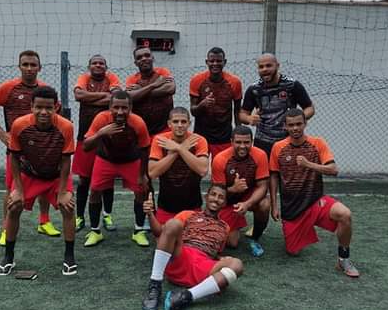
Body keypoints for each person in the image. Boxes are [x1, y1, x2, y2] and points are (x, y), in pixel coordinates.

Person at [0, 86, 77, 277]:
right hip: (29, 174)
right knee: (14, 206)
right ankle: (8, 257)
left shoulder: (66, 126)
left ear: (56, 107)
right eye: (39, 107)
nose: (43, 112)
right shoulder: (19, 125)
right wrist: (18, 188)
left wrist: (63, 191)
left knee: (68, 207)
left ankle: (69, 256)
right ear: (31, 106)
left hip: (56, 176)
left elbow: (66, 160)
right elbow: (14, 157)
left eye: (48, 107)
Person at [0, 50, 60, 246]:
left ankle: (44, 221)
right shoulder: (8, 87)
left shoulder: (45, 90)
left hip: (42, 149)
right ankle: (6, 228)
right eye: (25, 64)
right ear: (19, 67)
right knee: (12, 189)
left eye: (33, 65)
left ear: (39, 68)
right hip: (16, 150)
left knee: (44, 184)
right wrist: (0, 132)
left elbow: (55, 114)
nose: (29, 68)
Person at [269, 108, 359, 278]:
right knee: (293, 252)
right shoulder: (278, 147)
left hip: (316, 201)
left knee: (345, 215)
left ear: (305, 124)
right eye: (291, 125)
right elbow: (273, 176)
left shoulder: (318, 143)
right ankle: (304, 229)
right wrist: (274, 205)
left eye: (299, 124)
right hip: (292, 209)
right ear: (285, 127)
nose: (295, 128)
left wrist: (309, 164)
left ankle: (344, 259)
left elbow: (333, 170)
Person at [141, 185, 244, 310]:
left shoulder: (225, 227)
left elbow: (216, 251)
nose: (216, 199)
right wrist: (150, 214)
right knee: (173, 224)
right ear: (206, 197)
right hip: (181, 255)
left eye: (221, 197)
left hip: (204, 265)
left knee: (237, 264)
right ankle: (155, 286)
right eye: (213, 194)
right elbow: (161, 233)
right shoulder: (188, 214)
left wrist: (222, 259)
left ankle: (186, 296)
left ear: (224, 203)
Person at [82, 90, 151, 247]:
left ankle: (138, 231)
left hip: (131, 161)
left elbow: (145, 149)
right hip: (106, 160)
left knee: (141, 191)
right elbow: (86, 146)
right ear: (110, 107)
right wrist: (101, 133)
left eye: (124, 108)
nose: (120, 112)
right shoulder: (101, 119)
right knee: (95, 191)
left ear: (130, 108)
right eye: (116, 107)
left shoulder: (138, 122)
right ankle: (95, 231)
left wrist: (143, 174)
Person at [126, 46, 176, 233]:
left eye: (147, 55)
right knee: (145, 178)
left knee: (168, 176)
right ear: (135, 62)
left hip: (164, 132)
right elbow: (130, 97)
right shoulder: (132, 79)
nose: (144, 59)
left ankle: (168, 214)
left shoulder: (163, 72)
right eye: (140, 57)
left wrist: (142, 92)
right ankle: (148, 216)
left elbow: (171, 88)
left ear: (153, 57)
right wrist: (154, 86)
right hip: (142, 135)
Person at [73, 55, 120, 232]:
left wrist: (89, 98)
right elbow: (78, 95)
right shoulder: (84, 78)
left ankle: (107, 215)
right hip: (85, 137)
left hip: (108, 139)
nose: (98, 65)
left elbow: (115, 98)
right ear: (89, 66)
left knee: (107, 179)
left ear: (106, 67)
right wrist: (104, 96)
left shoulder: (112, 78)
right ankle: (79, 217)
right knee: (84, 180)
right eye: (95, 63)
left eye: (101, 63)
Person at [240, 53, 315, 159]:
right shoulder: (254, 89)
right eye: (261, 67)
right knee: (263, 170)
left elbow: (310, 108)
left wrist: (297, 120)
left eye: (268, 65)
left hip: (288, 140)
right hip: (262, 141)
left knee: (289, 169)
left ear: (277, 65)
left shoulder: (292, 85)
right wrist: (249, 118)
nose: (265, 69)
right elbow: (242, 114)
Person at [211, 125, 270, 257]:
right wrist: (233, 189)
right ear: (231, 142)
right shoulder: (220, 159)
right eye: (238, 142)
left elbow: (262, 186)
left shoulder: (260, 155)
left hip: (248, 196)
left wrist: (247, 204)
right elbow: (216, 193)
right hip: (227, 200)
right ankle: (234, 222)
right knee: (232, 243)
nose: (242, 146)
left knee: (265, 205)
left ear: (252, 141)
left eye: (246, 142)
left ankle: (255, 237)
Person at [148, 107, 209, 224]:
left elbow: (202, 170)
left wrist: (178, 148)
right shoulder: (160, 140)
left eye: (183, 122)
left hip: (193, 206)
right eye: (175, 122)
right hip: (166, 206)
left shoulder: (198, 140)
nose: (180, 125)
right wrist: (178, 150)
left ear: (189, 124)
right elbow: (152, 173)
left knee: (193, 236)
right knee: (162, 236)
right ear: (169, 124)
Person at [189, 47, 243, 159]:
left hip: (224, 136)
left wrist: (239, 133)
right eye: (212, 61)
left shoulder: (234, 82)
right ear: (206, 62)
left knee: (221, 166)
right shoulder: (197, 80)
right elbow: (193, 111)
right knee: (198, 167)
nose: (215, 64)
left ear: (225, 62)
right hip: (201, 134)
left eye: (219, 61)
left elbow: (237, 110)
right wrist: (202, 104)